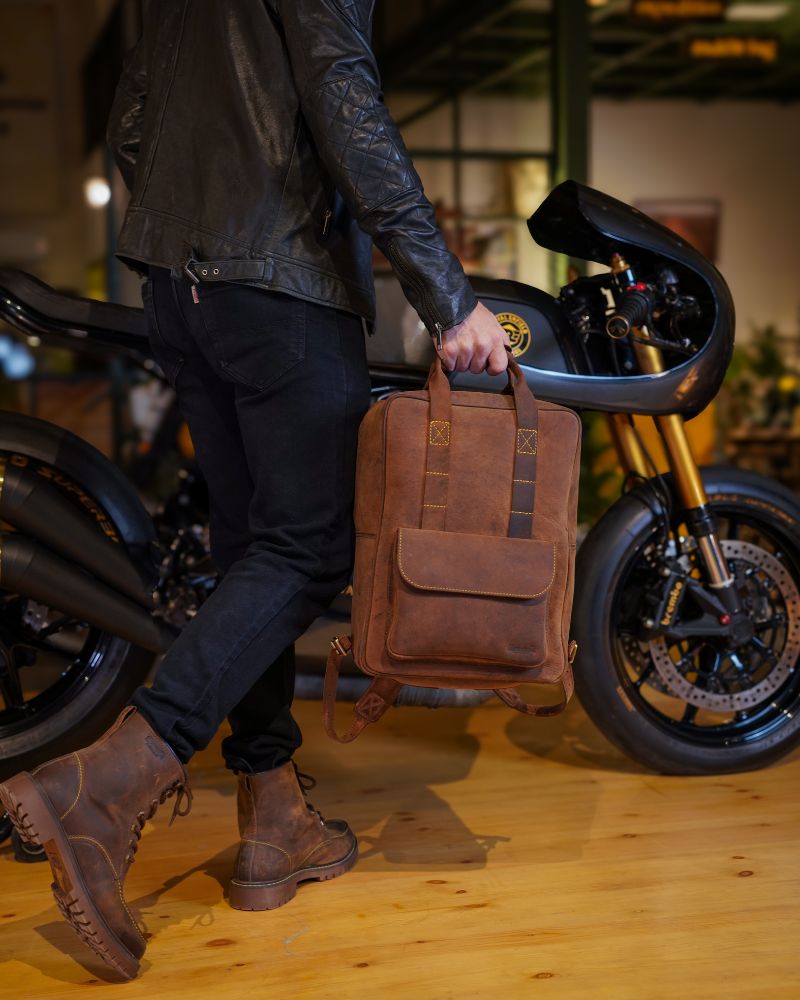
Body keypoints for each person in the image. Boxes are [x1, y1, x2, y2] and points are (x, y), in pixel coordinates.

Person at [0, 0, 509, 981]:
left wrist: (181, 251)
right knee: (307, 548)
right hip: (282, 281)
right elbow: (344, 98)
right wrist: (446, 296)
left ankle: (272, 818)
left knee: (250, 551)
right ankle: (105, 783)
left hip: (185, 288)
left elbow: (133, 119)